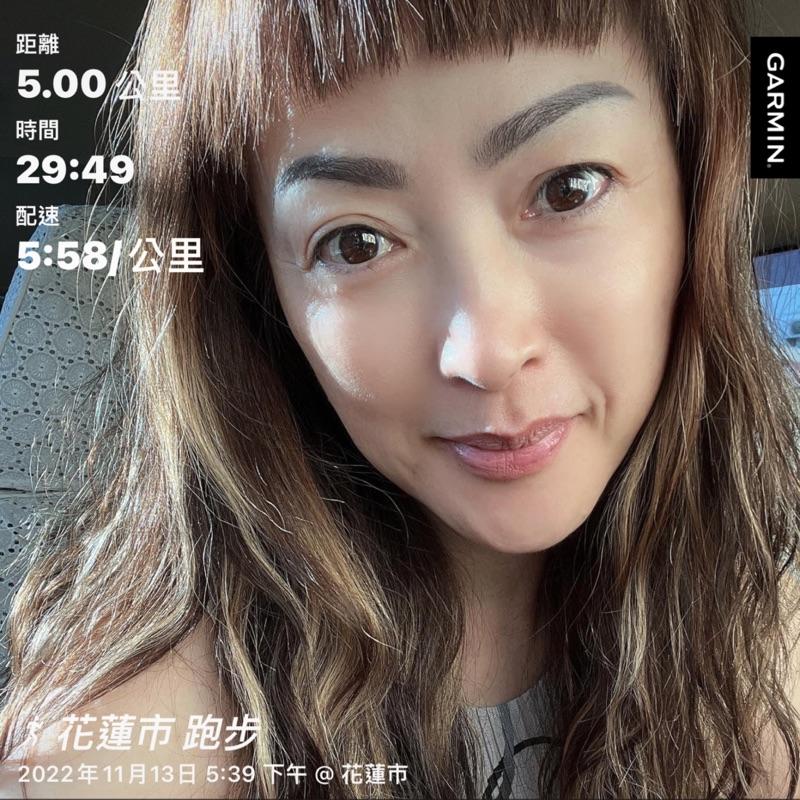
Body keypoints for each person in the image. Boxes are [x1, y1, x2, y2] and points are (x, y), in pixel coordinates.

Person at [1, 0, 799, 798]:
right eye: (355, 243)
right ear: (264, 294)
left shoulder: (770, 601)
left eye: (568, 189)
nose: (484, 352)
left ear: (695, 184)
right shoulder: (128, 754)